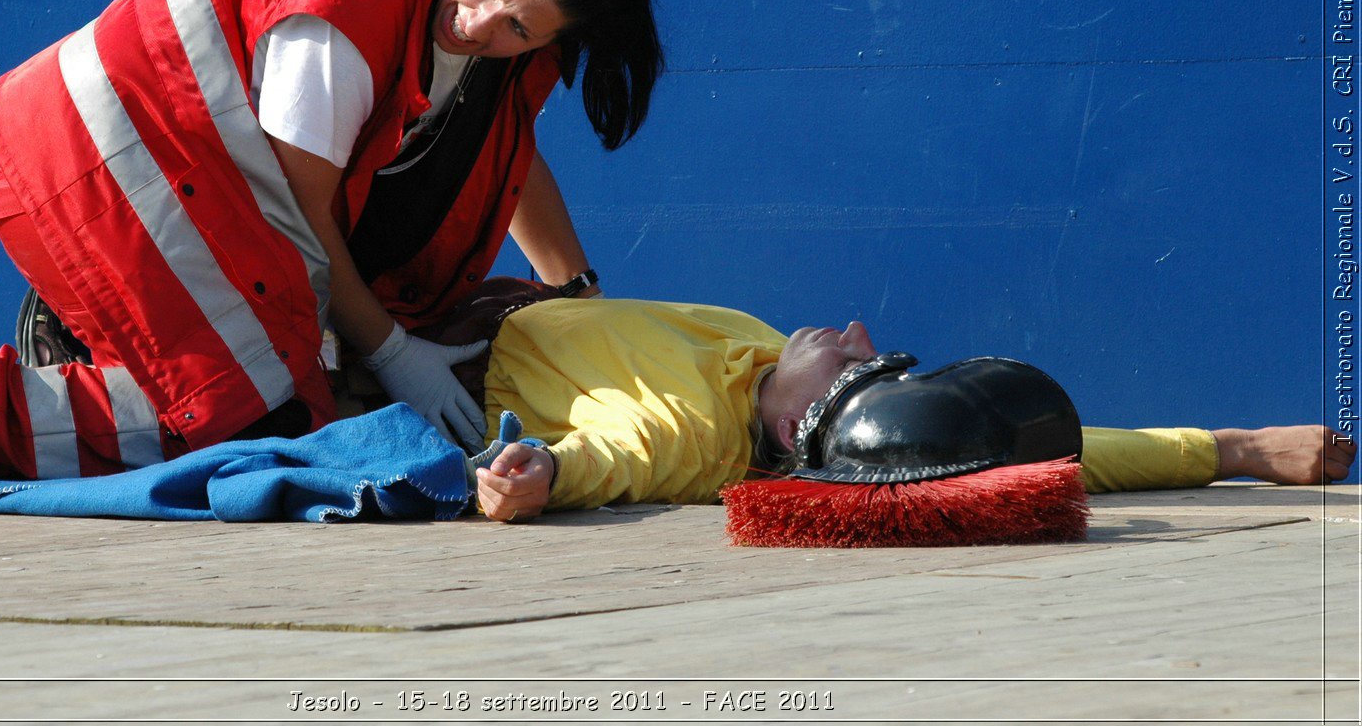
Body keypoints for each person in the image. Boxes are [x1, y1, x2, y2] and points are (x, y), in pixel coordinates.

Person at [0, 0, 664, 504]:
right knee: (248, 416)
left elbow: (507, 161)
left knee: (296, 378)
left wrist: (579, 303)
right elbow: (303, 226)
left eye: (518, 29)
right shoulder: (346, 8)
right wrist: (394, 351)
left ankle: (99, 348)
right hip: (90, 159)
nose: (479, 27)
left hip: (191, 177)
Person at [460, 295, 1357, 522]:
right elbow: (1022, 442)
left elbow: (619, 457)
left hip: (449, 338)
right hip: (518, 291)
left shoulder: (693, 434)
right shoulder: (766, 354)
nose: (854, 332)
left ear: (795, 431)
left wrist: (542, 472)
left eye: (857, 362)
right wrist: (1233, 446)